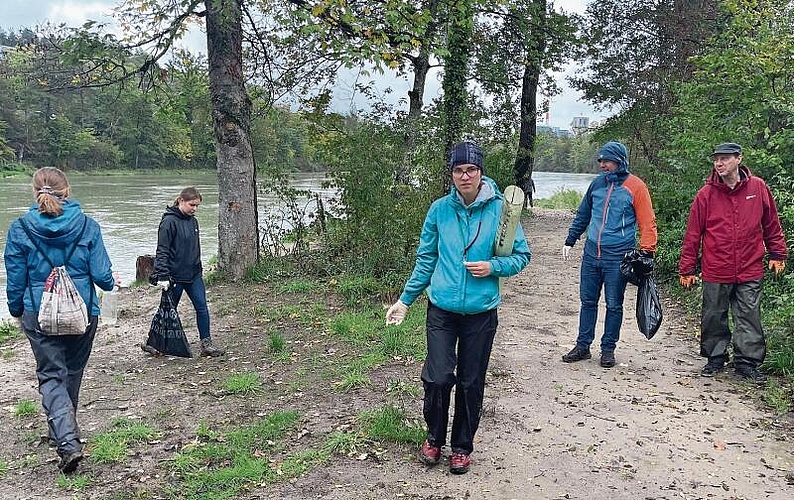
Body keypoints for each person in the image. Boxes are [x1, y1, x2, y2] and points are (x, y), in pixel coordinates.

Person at [385, 141, 531, 475]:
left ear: (481, 173)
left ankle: (462, 447)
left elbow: (522, 256)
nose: (465, 176)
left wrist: (493, 267)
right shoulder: (439, 210)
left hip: (480, 312)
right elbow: (426, 259)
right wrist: (405, 300)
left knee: (470, 381)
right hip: (442, 309)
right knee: (437, 378)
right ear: (451, 174)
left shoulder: (501, 211)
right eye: (458, 170)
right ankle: (434, 438)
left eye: (471, 170)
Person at [4, 167, 118, 474]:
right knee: (72, 372)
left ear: (35, 192)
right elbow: (103, 278)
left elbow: (15, 280)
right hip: (83, 313)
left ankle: (65, 439)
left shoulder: (19, 229)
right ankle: (66, 437)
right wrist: (111, 282)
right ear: (66, 191)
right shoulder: (87, 226)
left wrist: (16, 310)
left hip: (38, 314)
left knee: (51, 375)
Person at [679, 142, 787, 382]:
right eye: (716, 159)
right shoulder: (705, 194)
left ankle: (746, 363)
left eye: (725, 158)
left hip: (750, 266)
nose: (719, 163)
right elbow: (693, 235)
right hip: (716, 267)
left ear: (739, 159)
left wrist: (778, 253)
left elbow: (771, 224)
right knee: (713, 315)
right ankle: (715, 358)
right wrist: (687, 269)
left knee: (749, 316)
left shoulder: (758, 188)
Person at [561, 141, 658, 368]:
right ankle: (583, 346)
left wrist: (647, 252)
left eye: (607, 161)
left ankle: (608, 349)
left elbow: (647, 222)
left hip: (618, 257)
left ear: (620, 161)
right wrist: (571, 239)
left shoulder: (636, 187)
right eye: (601, 161)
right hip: (591, 254)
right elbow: (583, 215)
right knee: (588, 302)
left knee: (614, 304)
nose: (602, 165)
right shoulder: (596, 185)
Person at [148, 187, 224, 357]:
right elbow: (162, 250)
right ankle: (153, 343)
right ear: (181, 201)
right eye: (192, 205)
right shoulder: (168, 222)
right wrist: (162, 275)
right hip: (174, 277)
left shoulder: (193, 221)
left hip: (194, 274)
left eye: (197, 206)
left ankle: (206, 344)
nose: (194, 209)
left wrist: (198, 267)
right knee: (167, 310)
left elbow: (194, 248)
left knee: (202, 308)